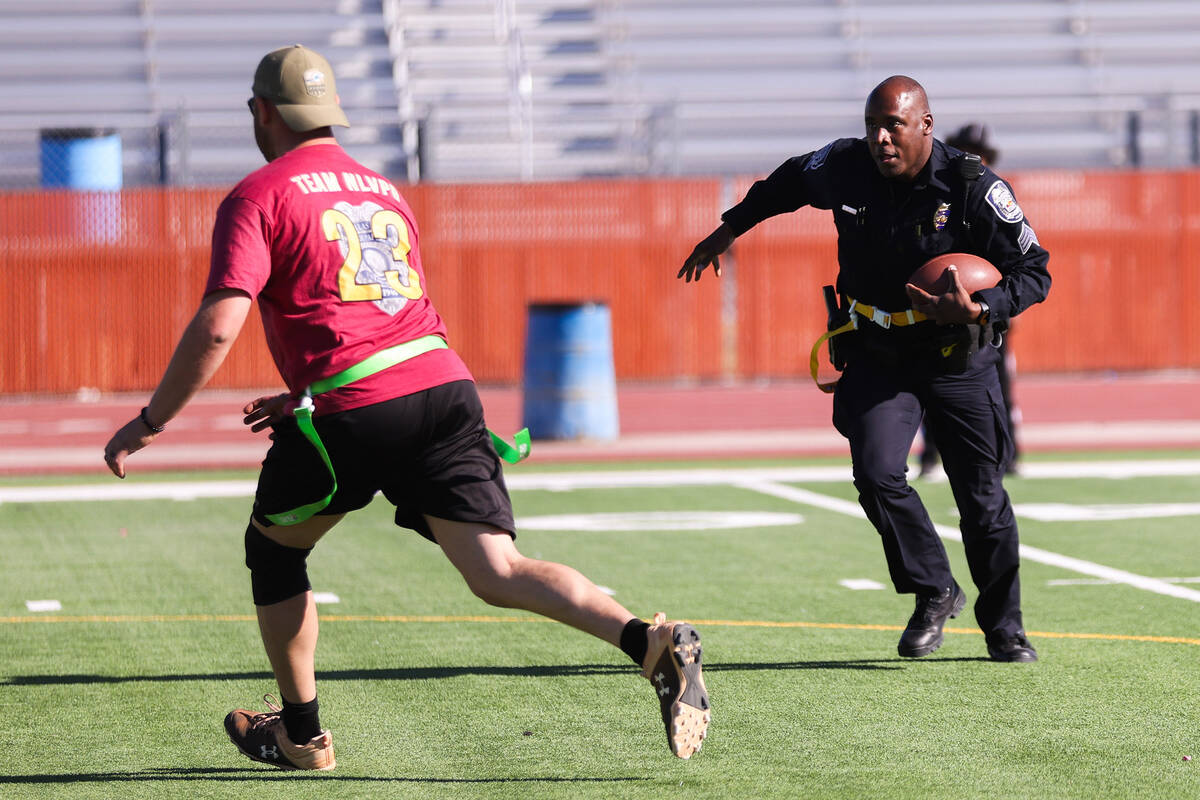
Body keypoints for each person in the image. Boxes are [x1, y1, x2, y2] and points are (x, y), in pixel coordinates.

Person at [103, 44, 710, 769]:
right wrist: (308, 388)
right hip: (443, 387)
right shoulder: (385, 192)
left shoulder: (258, 194)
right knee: (497, 570)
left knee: (273, 551)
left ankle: (302, 735)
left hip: (360, 404)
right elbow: (370, 309)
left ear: (263, 112)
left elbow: (217, 326)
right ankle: (647, 642)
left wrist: (151, 421)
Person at [679, 76, 1050, 663]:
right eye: (872, 123)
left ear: (925, 124)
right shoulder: (845, 165)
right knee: (877, 472)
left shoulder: (973, 185)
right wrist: (730, 227)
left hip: (957, 356)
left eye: (893, 125)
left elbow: (1035, 269)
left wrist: (979, 307)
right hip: (877, 347)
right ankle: (934, 588)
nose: (879, 138)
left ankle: (1005, 628)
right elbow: (785, 183)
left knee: (981, 498)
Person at [918, 123, 1021, 479]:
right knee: (933, 382)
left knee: (998, 386)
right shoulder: (938, 195)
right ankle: (931, 455)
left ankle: (1009, 455)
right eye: (966, 150)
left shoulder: (994, 193)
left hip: (985, 311)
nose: (975, 159)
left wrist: (999, 303)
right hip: (943, 310)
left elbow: (1016, 261)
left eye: (981, 154)